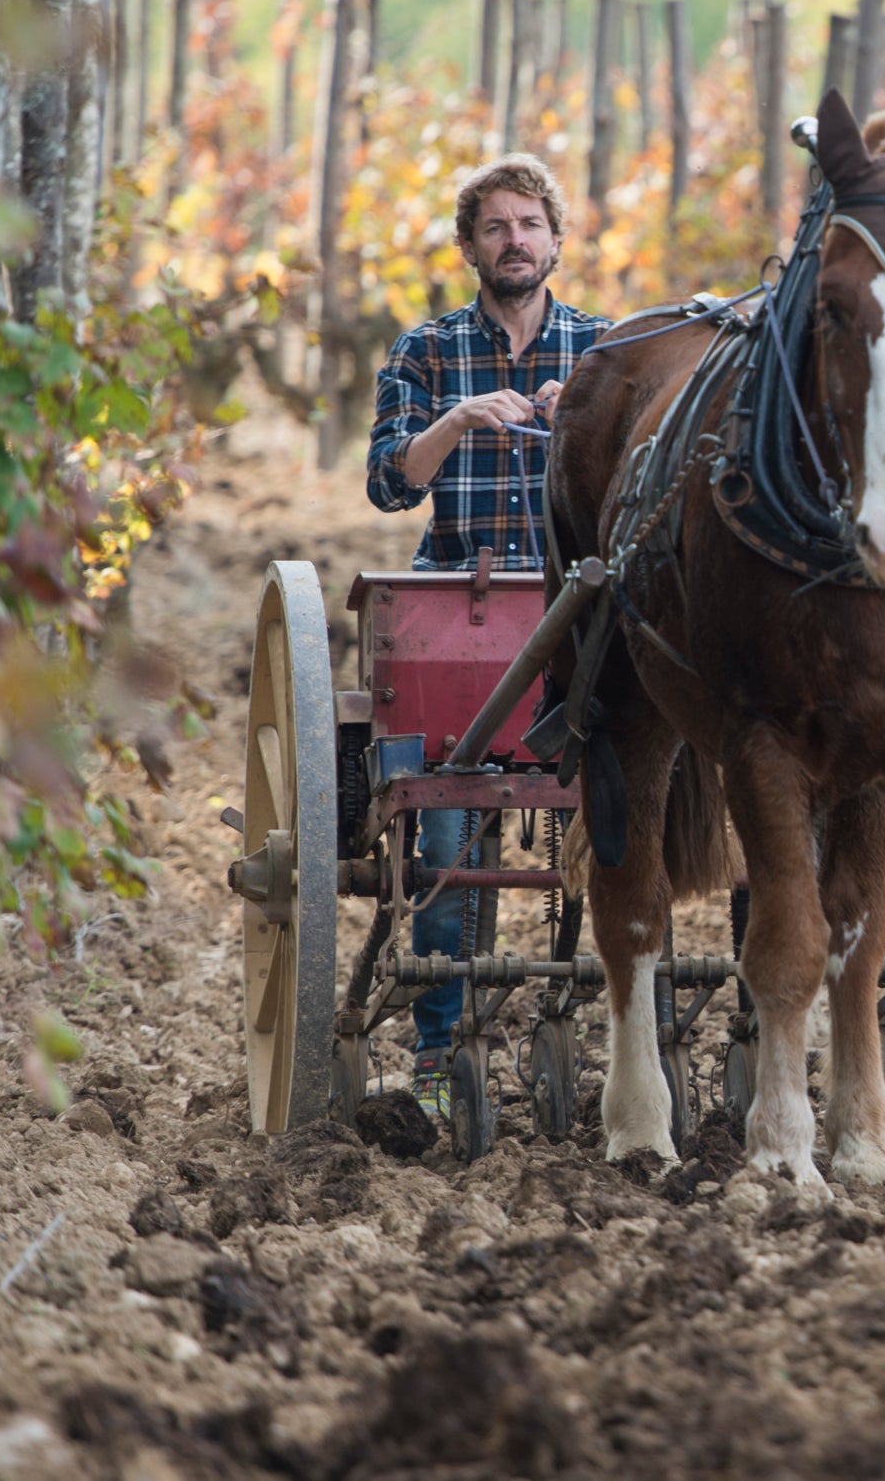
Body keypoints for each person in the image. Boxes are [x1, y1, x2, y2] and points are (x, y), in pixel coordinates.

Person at [365, 154, 603, 1116]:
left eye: (531, 224)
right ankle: (437, 1044)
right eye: (497, 227)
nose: (516, 241)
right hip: (457, 612)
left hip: (570, 608)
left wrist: (582, 419)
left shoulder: (602, 349)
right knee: (451, 833)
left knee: (619, 812)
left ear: (557, 240)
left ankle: (595, 1017)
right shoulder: (426, 353)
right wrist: (460, 419)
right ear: (470, 247)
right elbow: (390, 482)